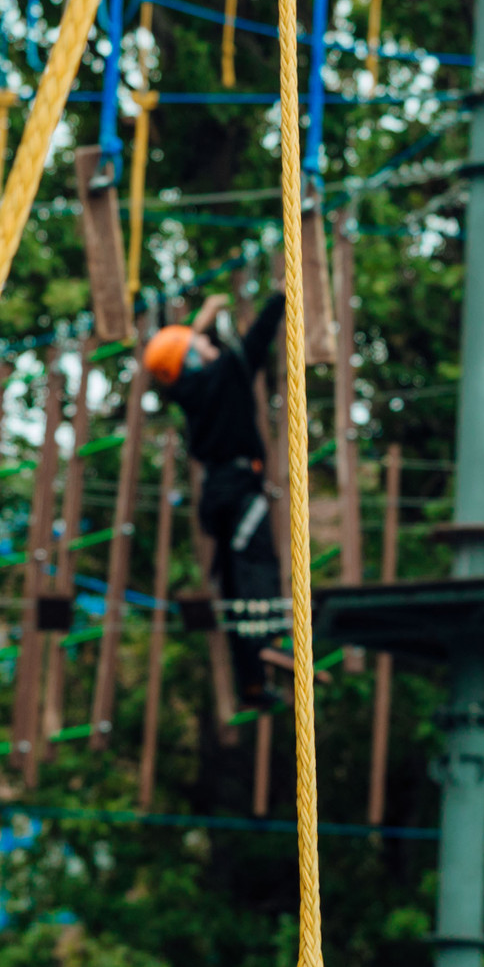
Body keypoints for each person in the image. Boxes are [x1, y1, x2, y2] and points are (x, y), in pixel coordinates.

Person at [144, 289, 287, 706]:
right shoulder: (228, 373)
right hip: (240, 490)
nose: (209, 343)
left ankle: (253, 683)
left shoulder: (186, 391)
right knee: (256, 568)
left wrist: (204, 317)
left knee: (233, 586)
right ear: (192, 357)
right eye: (202, 343)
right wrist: (280, 295)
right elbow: (258, 337)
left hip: (217, 494)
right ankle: (271, 644)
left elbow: (176, 353)